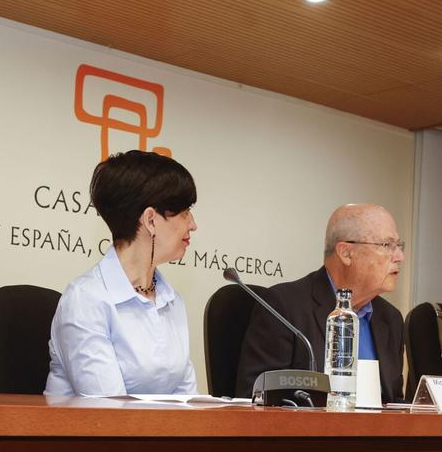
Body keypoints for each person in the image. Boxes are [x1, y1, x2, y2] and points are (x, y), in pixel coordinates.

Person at [45, 150, 199, 396]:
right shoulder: (86, 299)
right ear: (150, 220)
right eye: (184, 212)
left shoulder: (172, 301)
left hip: (159, 434)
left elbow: (187, 401)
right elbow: (111, 415)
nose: (192, 224)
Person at [235, 203, 405, 402]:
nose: (400, 257)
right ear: (346, 253)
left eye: (399, 246)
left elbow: (395, 403)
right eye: (387, 245)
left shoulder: (390, 319)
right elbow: (255, 399)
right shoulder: (284, 307)